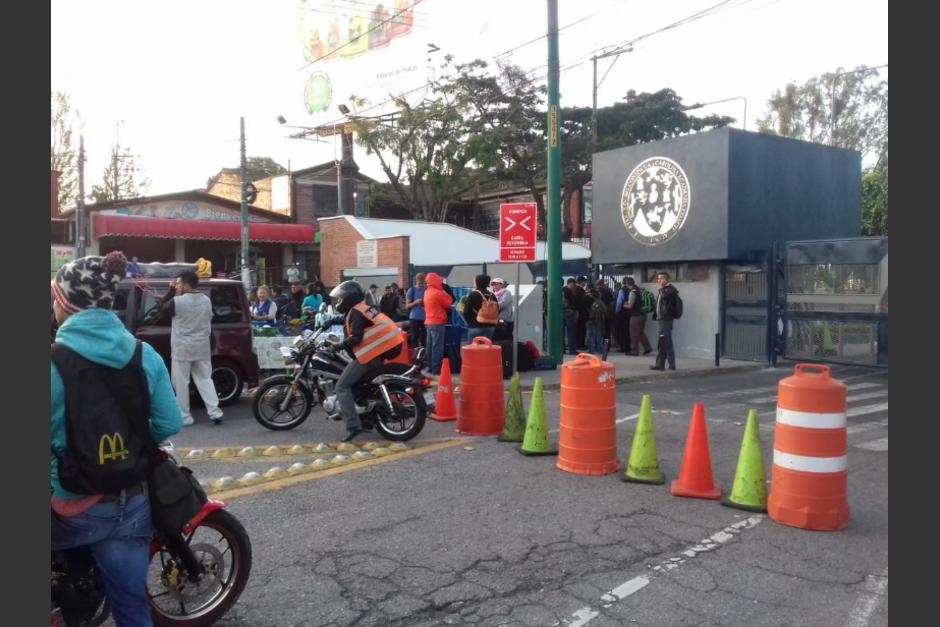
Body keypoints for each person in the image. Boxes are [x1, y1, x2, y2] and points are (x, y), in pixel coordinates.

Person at [51, 251, 183, 627]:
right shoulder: (145, 354)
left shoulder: (50, 363)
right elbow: (168, 422)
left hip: (72, 505)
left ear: (66, 304)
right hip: (133, 501)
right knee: (132, 609)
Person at [327, 281, 404, 441]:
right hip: (379, 353)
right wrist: (330, 321)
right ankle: (367, 419)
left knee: (341, 386)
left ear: (348, 298)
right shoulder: (361, 309)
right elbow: (359, 323)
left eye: (340, 299)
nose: (338, 302)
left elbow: (356, 336)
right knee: (359, 386)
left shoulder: (355, 312)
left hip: (369, 356)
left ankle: (353, 426)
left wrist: (339, 346)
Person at [160, 271, 224, 425]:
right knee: (205, 379)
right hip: (202, 347)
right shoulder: (206, 300)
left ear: (186, 284)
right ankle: (215, 412)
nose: (178, 286)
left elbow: (161, 309)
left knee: (181, 383)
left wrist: (170, 290)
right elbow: (210, 317)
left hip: (182, 349)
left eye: (179, 283)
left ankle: (185, 416)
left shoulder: (177, 301)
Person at [423, 272, 453, 374]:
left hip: (429, 321)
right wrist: (444, 292)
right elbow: (449, 303)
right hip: (438, 322)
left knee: (430, 345)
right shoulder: (438, 292)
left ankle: (429, 366)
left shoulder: (427, 291)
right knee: (437, 347)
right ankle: (436, 369)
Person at [651, 271, 681, 371]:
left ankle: (664, 364)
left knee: (664, 341)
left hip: (666, 318)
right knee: (665, 341)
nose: (658, 280)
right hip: (661, 318)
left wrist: (663, 287)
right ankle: (665, 363)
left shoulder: (670, 290)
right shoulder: (662, 290)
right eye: (658, 279)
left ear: (665, 279)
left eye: (660, 278)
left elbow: (665, 297)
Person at [463, 274, 498, 342]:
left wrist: (469, 322)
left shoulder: (473, 294)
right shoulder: (492, 295)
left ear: (477, 282)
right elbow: (497, 310)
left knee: (473, 349)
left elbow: (466, 311)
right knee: (485, 348)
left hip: (475, 325)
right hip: (490, 326)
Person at [624, 277, 653, 356]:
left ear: (626, 284)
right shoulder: (640, 290)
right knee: (640, 332)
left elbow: (630, 306)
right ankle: (647, 347)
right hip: (643, 315)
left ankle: (634, 351)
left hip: (635, 316)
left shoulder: (632, 292)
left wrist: (624, 305)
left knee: (633, 333)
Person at [405, 273, 427, 347]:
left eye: (423, 283)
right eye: (419, 283)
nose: (421, 285)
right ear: (416, 282)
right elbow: (407, 306)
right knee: (414, 338)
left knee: (424, 338)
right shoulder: (412, 290)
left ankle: (424, 354)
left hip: (424, 318)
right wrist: (415, 302)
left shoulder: (426, 290)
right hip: (414, 317)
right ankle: (415, 354)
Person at [586, 288, 609, 355]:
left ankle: (596, 350)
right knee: (598, 335)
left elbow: (594, 312)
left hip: (596, 320)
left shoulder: (596, 303)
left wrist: (590, 316)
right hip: (599, 320)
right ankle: (599, 349)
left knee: (594, 335)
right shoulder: (600, 302)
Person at [614, 281, 633, 353]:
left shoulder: (622, 290)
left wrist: (617, 312)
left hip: (621, 313)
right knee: (627, 331)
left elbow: (619, 302)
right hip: (628, 313)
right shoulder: (631, 290)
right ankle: (628, 347)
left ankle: (623, 347)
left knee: (621, 331)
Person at [562, 279, 580, 355]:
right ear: (570, 283)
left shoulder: (561, 290)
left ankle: (562, 349)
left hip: (562, 314)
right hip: (569, 313)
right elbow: (573, 303)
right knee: (571, 333)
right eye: (574, 284)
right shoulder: (568, 291)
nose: (574, 286)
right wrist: (575, 311)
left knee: (562, 333)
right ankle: (572, 349)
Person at [575, 276, 589, 350]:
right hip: (581, 313)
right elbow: (583, 302)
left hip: (578, 312)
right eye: (584, 282)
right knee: (581, 329)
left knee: (578, 329)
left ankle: (578, 343)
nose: (585, 283)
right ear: (581, 282)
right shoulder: (580, 290)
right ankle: (580, 344)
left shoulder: (576, 289)